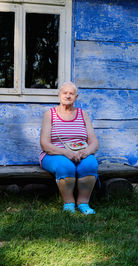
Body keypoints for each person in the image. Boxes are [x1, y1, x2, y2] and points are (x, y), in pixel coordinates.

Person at [39, 82, 99, 215]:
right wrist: (67, 153)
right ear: (59, 95)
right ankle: (69, 204)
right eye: (64, 93)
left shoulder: (83, 114)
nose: (67, 96)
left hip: (80, 153)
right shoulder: (50, 114)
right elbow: (44, 144)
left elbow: (94, 142)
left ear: (76, 97)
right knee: (66, 166)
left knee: (90, 164)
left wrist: (86, 152)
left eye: (71, 93)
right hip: (54, 154)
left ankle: (83, 203)